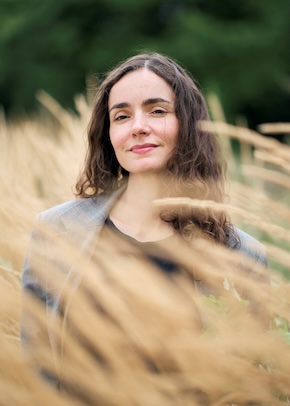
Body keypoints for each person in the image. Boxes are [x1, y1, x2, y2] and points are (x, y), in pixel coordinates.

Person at [21, 52, 267, 392]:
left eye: (157, 111)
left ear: (188, 123)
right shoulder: (56, 232)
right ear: (109, 133)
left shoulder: (241, 256)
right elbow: (35, 372)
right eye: (121, 116)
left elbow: (249, 384)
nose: (138, 127)